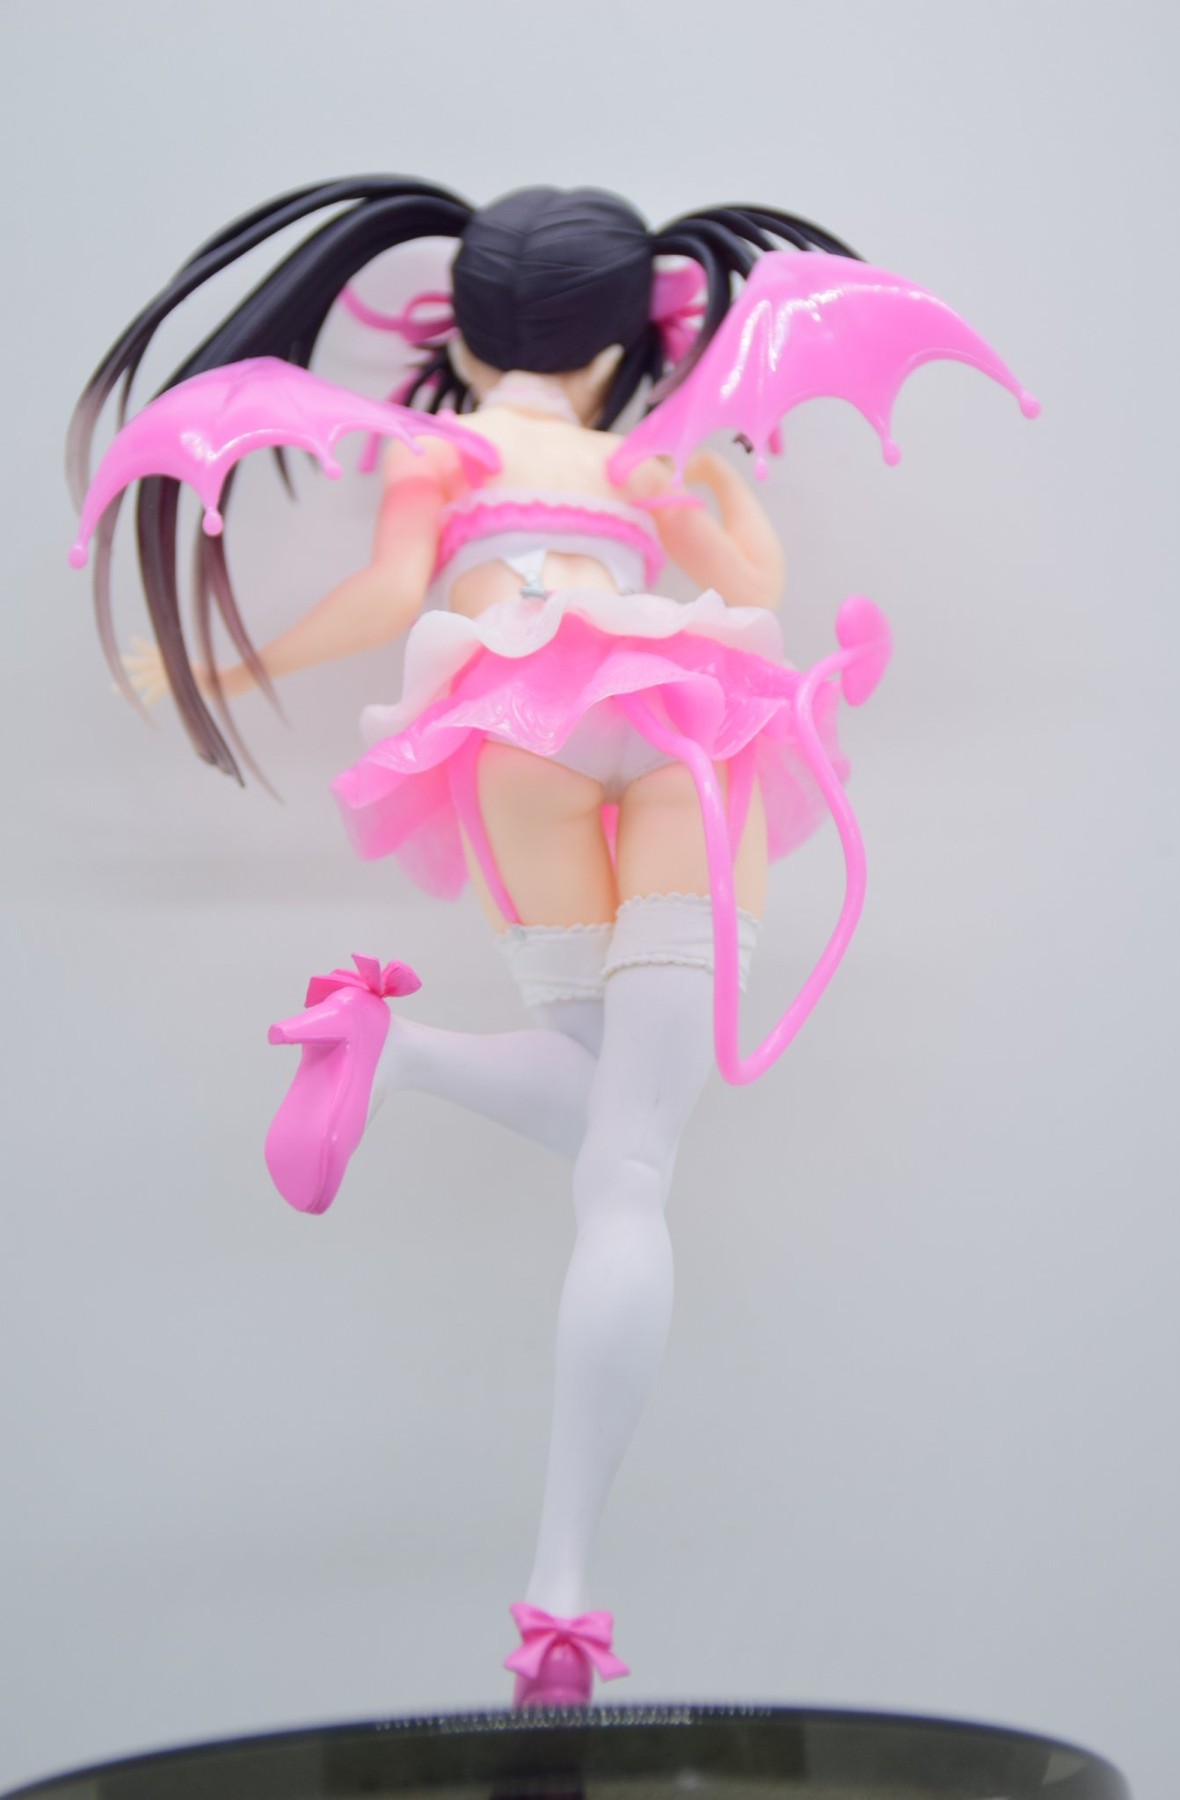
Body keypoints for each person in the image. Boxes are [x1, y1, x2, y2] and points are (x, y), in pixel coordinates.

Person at [69, 180, 908, 1707]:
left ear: (461, 336)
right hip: (679, 717)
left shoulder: (442, 451)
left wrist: (217, 663)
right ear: (621, 347)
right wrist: (714, 478)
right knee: (633, 1157)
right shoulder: (641, 457)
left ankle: (396, 1050)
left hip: (516, 729)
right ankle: (562, 1590)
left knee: (615, 1120)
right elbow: (754, 593)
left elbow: (392, 596)